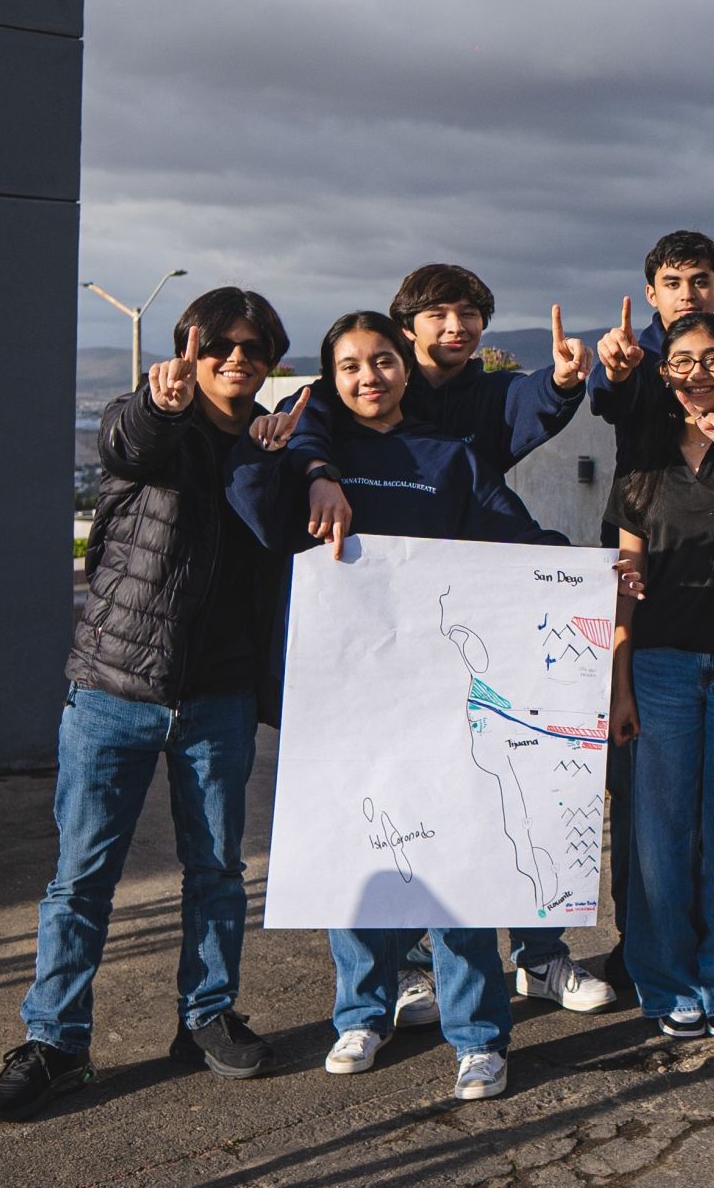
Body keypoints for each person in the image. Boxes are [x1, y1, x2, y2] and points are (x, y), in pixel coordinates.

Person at [231, 311, 577, 1103]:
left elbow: (511, 542)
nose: (369, 377)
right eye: (349, 366)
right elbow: (257, 519)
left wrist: (586, 573)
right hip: (338, 700)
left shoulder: (448, 456)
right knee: (356, 865)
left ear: (405, 369)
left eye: (383, 361)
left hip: (437, 698)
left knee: (455, 871)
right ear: (329, 378)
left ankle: (479, 1038)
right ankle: (363, 1013)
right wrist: (281, 457)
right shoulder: (306, 462)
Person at [0, 291, 294, 1124]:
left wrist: (312, 466)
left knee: (218, 872)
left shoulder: (272, 443)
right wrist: (160, 398)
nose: (236, 358)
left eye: (254, 348)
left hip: (218, 699)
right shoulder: (157, 422)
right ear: (192, 347)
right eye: (219, 343)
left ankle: (206, 1018)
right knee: (80, 880)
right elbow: (127, 438)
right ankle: (56, 1043)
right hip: (113, 691)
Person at [295, 264, 611, 1025]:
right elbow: (302, 421)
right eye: (438, 315)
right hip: (365, 657)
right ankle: (401, 974)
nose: (456, 327)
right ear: (405, 330)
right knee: (383, 810)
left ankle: (538, 957)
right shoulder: (338, 416)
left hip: (471, 624)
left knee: (510, 790)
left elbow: (527, 405)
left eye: (469, 314)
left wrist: (588, 572)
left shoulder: (470, 417)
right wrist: (312, 466)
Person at [586, 230, 714, 995]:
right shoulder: (641, 429)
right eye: (673, 283)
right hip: (662, 656)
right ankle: (657, 973)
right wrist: (619, 678)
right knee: (655, 834)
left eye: (701, 281)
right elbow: (629, 553)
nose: (697, 372)